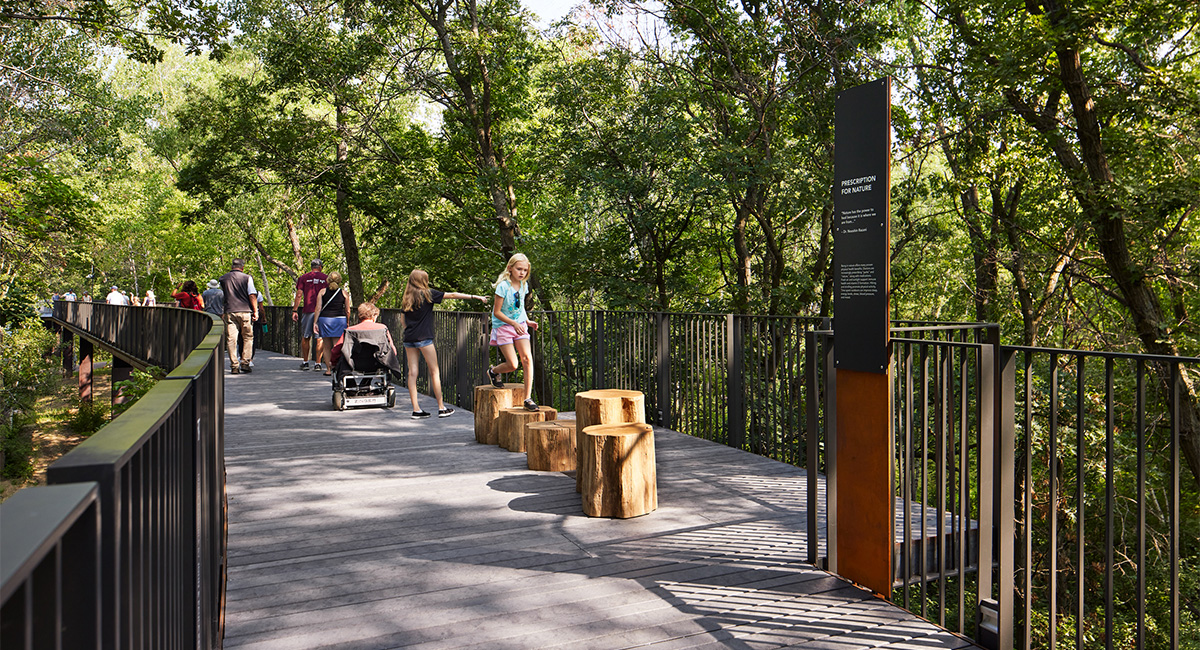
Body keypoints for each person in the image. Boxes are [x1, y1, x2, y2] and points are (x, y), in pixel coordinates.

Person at [399, 269, 488, 419]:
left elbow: (403, 322)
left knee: (412, 373)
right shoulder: (428, 294)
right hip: (424, 338)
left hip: (409, 338)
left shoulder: (407, 298)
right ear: (423, 281)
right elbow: (452, 295)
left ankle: (416, 410)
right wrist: (475, 296)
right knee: (434, 372)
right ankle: (441, 407)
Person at [485, 253, 540, 411]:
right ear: (510, 268)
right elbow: (497, 312)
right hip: (504, 327)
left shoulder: (524, 285)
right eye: (519, 269)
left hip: (520, 325)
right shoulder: (503, 286)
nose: (522, 272)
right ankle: (493, 371)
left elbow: (520, 306)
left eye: (525, 270)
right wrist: (513, 323)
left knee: (527, 359)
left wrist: (527, 321)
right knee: (513, 364)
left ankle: (528, 398)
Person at [220, 259, 259, 374]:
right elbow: (252, 294)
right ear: (242, 268)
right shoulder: (247, 278)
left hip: (230, 311)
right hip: (245, 311)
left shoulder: (223, 279)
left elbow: (223, 295)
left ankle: (234, 365)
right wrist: (255, 311)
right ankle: (245, 362)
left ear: (232, 267)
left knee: (231, 339)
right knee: (248, 337)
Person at [292, 259, 328, 370]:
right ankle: (318, 363)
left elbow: (299, 294)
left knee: (306, 336)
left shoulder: (303, 278)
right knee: (320, 338)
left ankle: (306, 361)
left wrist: (295, 310)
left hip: (308, 310)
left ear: (311, 267)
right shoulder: (326, 278)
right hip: (322, 311)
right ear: (320, 267)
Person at [312, 272, 350, 375]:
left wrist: (315, 322)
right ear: (339, 280)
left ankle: (328, 369)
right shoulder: (344, 293)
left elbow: (318, 308)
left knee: (326, 346)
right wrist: (347, 321)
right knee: (337, 346)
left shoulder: (322, 292)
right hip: (339, 320)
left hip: (325, 320)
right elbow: (347, 310)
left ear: (328, 280)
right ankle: (337, 368)